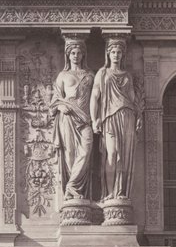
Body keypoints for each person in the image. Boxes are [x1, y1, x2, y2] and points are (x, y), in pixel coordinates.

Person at [90, 39, 142, 201]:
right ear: (108, 53)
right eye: (113, 52)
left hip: (127, 115)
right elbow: (94, 96)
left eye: (119, 52)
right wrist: (94, 119)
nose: (116, 55)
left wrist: (139, 115)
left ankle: (120, 193)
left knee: (124, 157)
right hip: (109, 117)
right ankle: (109, 192)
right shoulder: (102, 73)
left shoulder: (127, 75)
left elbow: (133, 97)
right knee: (111, 153)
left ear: (123, 55)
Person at [50, 40, 95, 202]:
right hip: (67, 118)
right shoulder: (63, 76)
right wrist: (60, 107)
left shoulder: (90, 75)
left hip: (85, 119)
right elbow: (55, 99)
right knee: (70, 155)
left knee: (86, 151)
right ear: (68, 55)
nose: (76, 56)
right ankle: (72, 188)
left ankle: (73, 184)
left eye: (79, 53)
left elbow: (98, 99)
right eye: (72, 53)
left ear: (83, 55)